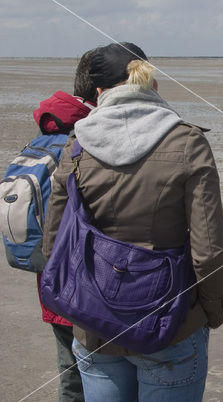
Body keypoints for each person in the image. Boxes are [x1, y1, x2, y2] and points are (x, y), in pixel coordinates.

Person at [42, 42, 223, 401]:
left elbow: (55, 240)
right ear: (152, 87)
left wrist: (70, 305)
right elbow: (209, 248)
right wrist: (210, 313)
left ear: (99, 93)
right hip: (173, 323)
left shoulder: (76, 144)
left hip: (95, 324)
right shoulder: (187, 141)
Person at [32, 48, 97, 402]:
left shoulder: (45, 135)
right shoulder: (87, 139)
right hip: (83, 283)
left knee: (69, 376)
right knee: (99, 373)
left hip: (48, 280)